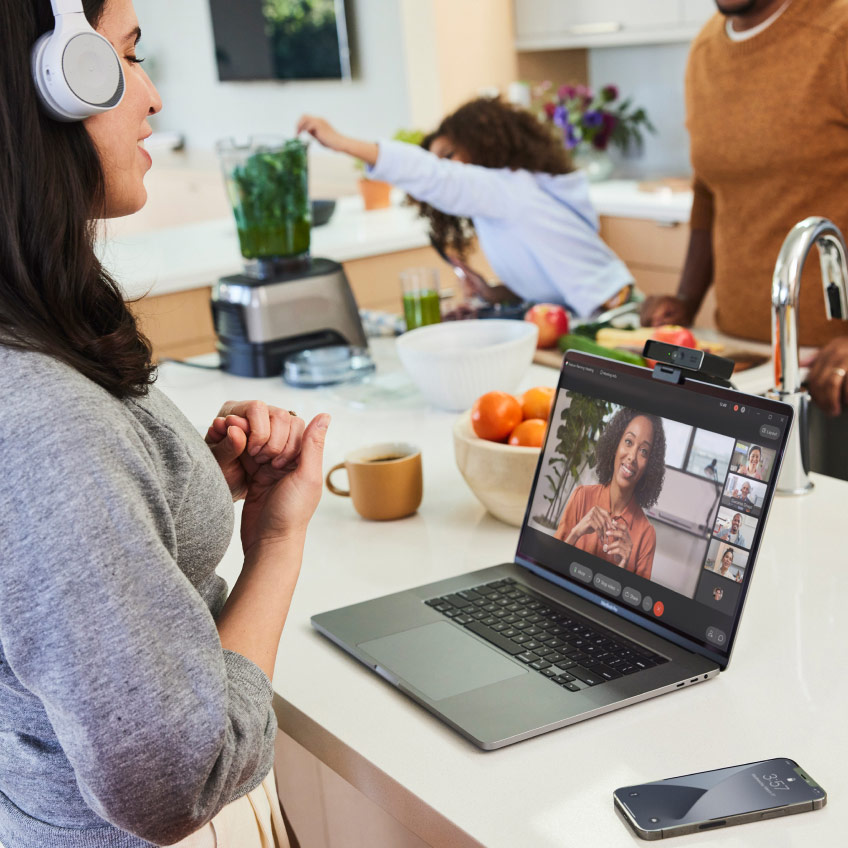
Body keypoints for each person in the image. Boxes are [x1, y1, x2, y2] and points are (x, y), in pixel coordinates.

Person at [0, 2, 329, 845]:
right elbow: (176, 781)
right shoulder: (43, 417)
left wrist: (162, 488)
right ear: (57, 82)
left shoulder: (34, 338)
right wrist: (277, 544)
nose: (151, 97)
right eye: (125, 58)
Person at [639, 0, 848, 417]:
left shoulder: (838, 32)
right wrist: (686, 298)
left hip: (829, 367)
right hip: (742, 359)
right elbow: (708, 190)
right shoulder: (704, 51)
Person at [297, 98, 635, 318]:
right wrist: (495, 296)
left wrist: (341, 143)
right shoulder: (500, 205)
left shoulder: (509, 190)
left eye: (449, 155)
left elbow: (436, 178)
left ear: (487, 145)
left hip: (619, 316)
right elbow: (553, 289)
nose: (446, 167)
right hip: (590, 319)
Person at [554, 408, 667, 579]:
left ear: (649, 466)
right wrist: (576, 533)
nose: (632, 457)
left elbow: (635, 602)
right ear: (615, 445)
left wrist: (623, 568)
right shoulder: (581, 496)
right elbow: (550, 565)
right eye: (629, 442)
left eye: (643, 451)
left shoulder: (646, 535)